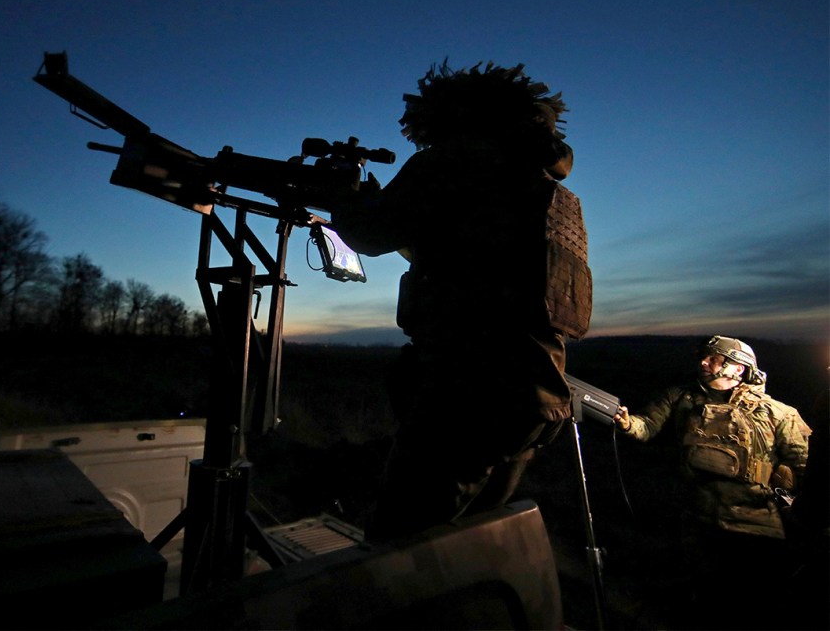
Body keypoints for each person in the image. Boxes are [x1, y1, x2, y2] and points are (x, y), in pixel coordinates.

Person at [324, 60, 592, 541]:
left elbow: (371, 232)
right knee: (468, 543)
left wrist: (342, 197)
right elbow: (466, 250)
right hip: (535, 393)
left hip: (464, 390)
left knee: (402, 545)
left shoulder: (456, 161)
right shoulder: (542, 187)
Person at [613, 335, 812, 630]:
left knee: (757, 604)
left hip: (757, 526)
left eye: (714, 359)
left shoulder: (778, 413)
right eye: (704, 357)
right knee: (706, 601)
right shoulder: (680, 398)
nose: (704, 362)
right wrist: (627, 423)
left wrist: (806, 515)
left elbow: (807, 467)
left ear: (738, 369)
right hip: (700, 518)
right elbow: (647, 427)